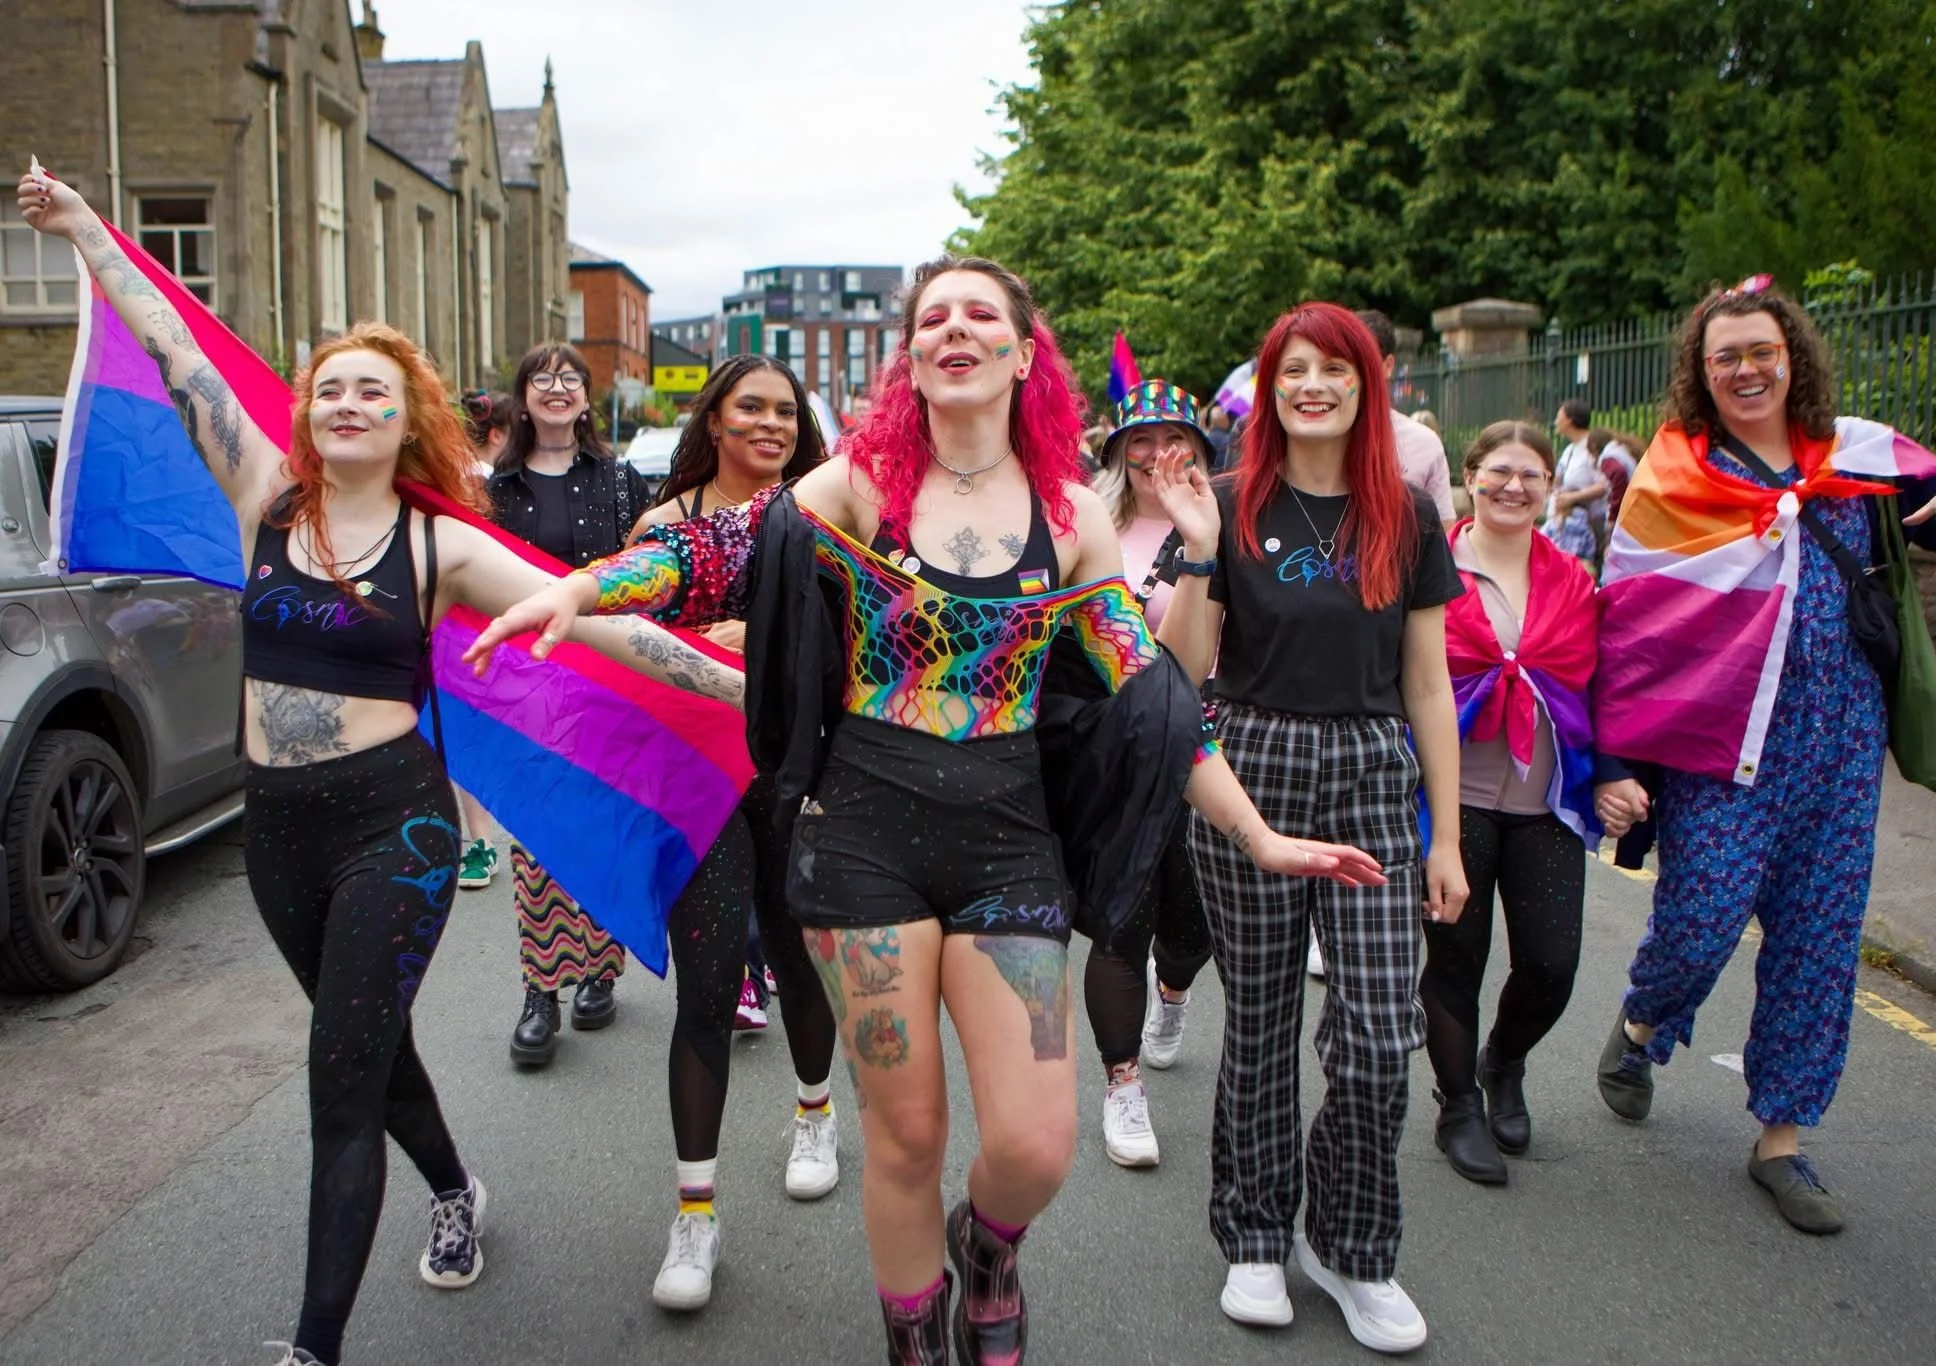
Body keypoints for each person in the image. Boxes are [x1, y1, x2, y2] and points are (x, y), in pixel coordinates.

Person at [468, 254, 1384, 1365]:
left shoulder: (1067, 517)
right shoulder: (857, 485)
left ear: (1019, 352)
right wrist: (582, 585)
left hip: (1008, 841)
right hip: (861, 840)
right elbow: (709, 548)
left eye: (979, 314)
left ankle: (986, 1247)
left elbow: (1151, 696)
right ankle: (915, 1341)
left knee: (1037, 1143)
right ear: (911, 355)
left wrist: (1256, 832)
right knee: (905, 1132)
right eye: (932, 316)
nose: (953, 328)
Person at [16, 163, 744, 1366]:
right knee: (367, 1048)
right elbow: (175, 350)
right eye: (330, 390)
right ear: (305, 414)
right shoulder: (260, 494)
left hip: (391, 830)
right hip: (278, 830)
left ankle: (311, 1345)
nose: (348, 405)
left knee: (334, 1077)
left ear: (409, 419)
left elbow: (603, 628)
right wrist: (90, 229)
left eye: (374, 392)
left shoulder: (438, 538)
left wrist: (744, 692)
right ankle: (454, 1185)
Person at [1591, 278, 1936, 1236]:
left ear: (1793, 356)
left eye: (1762, 351)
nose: (1747, 369)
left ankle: (1782, 1141)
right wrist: (1615, 759)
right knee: (1701, 917)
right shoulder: (1671, 481)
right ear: (1701, 375)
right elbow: (1628, 630)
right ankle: (1641, 1020)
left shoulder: (1863, 455)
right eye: (1726, 357)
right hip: (1718, 747)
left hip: (1838, 747)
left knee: (1820, 941)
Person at [1153, 302, 1469, 1354]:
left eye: (1334, 368)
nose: (1312, 385)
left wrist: (1446, 837)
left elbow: (1427, 683)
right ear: (1270, 385)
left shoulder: (1406, 518)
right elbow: (1180, 667)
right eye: (1293, 369)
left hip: (1373, 772)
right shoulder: (1232, 501)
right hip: (1251, 765)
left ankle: (1349, 1243)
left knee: (1380, 1037)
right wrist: (1199, 553)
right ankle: (1253, 1235)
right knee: (1260, 1025)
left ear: (1364, 384)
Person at [627, 353, 844, 1310]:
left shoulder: (827, 520)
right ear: (712, 420)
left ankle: (814, 1112)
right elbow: (624, 658)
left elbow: (851, 649)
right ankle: (695, 1217)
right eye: (749, 408)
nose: (770, 425)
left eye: (785, 413)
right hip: (697, 787)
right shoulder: (662, 529)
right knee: (707, 992)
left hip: (797, 781)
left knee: (799, 963)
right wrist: (701, 656)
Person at [1419, 421, 1634, 1186]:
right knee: (1456, 959)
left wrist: (1612, 772)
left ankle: (1502, 1061)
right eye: (1499, 472)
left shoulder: (1574, 578)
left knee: (1552, 963)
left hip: (1546, 800)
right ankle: (1457, 1107)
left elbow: (1595, 683)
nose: (1514, 487)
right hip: (1450, 800)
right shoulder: (1429, 563)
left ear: (1549, 489)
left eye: (1531, 476)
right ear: (1470, 477)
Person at [488, 343, 653, 1066]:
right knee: (537, 837)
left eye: (570, 379)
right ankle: (539, 990)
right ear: (522, 400)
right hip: (530, 683)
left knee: (605, 828)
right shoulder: (495, 489)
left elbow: (653, 568)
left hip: (611, 677)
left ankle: (598, 971)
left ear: (587, 399)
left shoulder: (620, 481)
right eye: (541, 380)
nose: (557, 389)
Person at [1086, 379, 1219, 1167]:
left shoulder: (1218, 533)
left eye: (1176, 440)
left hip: (1202, 750)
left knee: (1193, 927)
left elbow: (1196, 662)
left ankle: (1174, 995)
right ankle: (1121, 1082)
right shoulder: (1087, 528)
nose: (1157, 455)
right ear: (1117, 452)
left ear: (1200, 453)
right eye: (1141, 440)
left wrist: (1201, 550)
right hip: (1110, 755)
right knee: (1118, 924)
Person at [453, 389, 514, 890]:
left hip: (456, 622)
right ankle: (482, 839)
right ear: (498, 435)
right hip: (492, 621)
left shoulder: (440, 483)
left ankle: (477, 841)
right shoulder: (495, 486)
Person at [1356, 309, 1455, 522]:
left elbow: (1443, 533)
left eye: (1363, 361)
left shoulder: (1424, 443)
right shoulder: (1307, 438)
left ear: (1388, 365)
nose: (1352, 372)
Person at [1543, 398, 1604, 571]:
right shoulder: (1570, 449)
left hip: (1587, 526)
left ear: (1569, 420)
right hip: (1563, 520)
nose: (1555, 422)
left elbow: (1603, 485)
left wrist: (1572, 497)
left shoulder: (1592, 448)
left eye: (1558, 417)